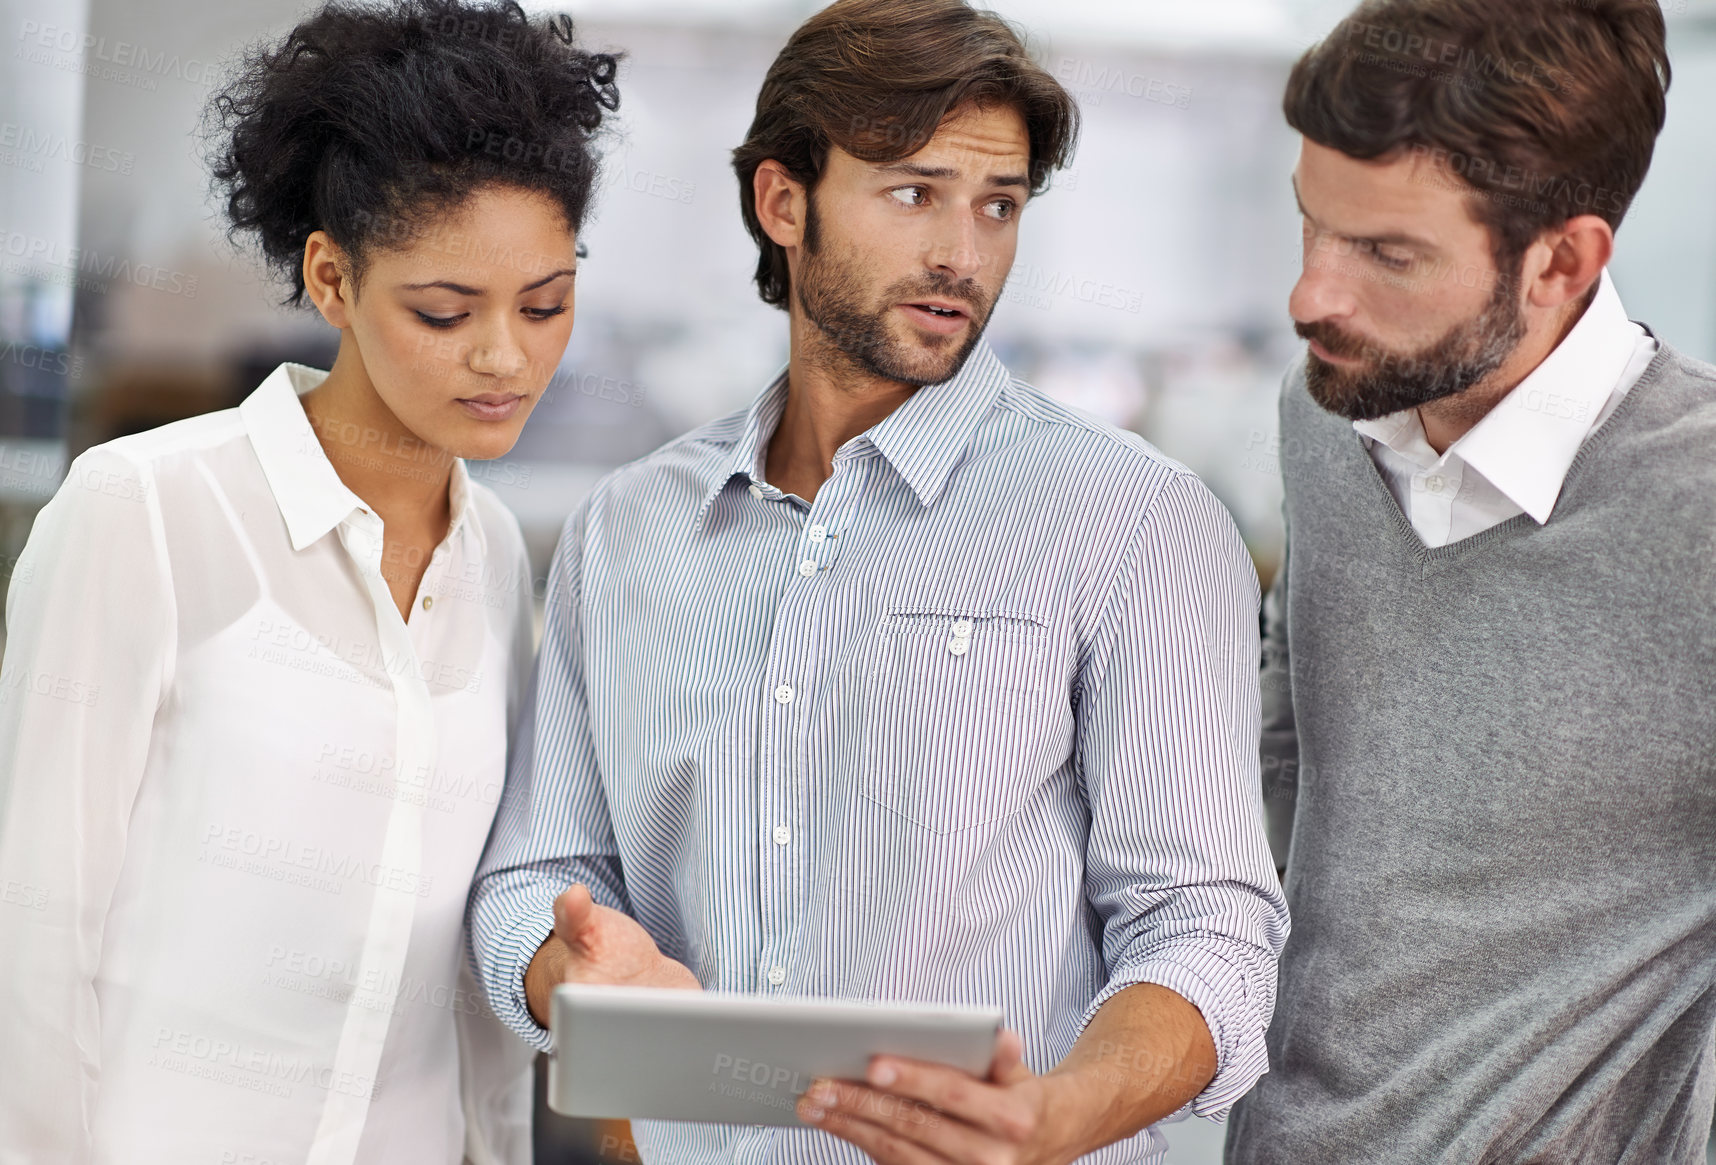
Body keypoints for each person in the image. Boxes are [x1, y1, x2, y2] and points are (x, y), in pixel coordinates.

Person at [467, 1, 1289, 1162]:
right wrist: (573, 969)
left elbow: (1208, 929)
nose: (963, 251)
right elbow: (535, 878)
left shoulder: (1136, 525)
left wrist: (1058, 1114)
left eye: (998, 204)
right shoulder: (626, 531)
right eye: (914, 193)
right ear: (782, 202)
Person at [0, 3, 619, 1162]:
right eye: (445, 311)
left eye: (545, 303)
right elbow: (29, 950)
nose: (507, 356)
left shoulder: (493, 562)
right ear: (331, 280)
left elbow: (463, 994)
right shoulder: (147, 512)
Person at [1225, 0, 1716, 1160]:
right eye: (1313, 226)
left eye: (1387, 254)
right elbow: (1291, 762)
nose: (1311, 298)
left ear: (1561, 261)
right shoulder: (1325, 406)